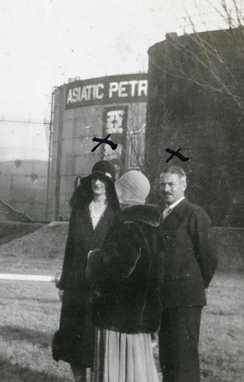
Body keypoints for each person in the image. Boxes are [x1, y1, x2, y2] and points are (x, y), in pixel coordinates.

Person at [87, 170, 163, 382]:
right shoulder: (153, 226)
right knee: (136, 367)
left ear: (125, 193)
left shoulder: (128, 225)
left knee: (117, 368)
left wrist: (93, 257)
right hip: (138, 314)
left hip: (118, 314)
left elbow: (117, 266)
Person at [53, 160, 120, 382]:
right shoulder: (79, 210)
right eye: (95, 178)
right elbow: (70, 250)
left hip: (102, 290)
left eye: (103, 179)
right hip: (76, 287)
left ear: (110, 184)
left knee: (98, 343)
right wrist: (63, 285)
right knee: (74, 341)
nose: (98, 183)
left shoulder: (117, 214)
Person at [156, 165, 217, 382]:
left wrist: (195, 284)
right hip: (164, 297)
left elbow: (208, 257)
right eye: (162, 184)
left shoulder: (194, 214)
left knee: (184, 359)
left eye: (171, 184)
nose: (166, 188)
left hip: (186, 298)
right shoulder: (160, 214)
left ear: (184, 184)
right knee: (168, 357)